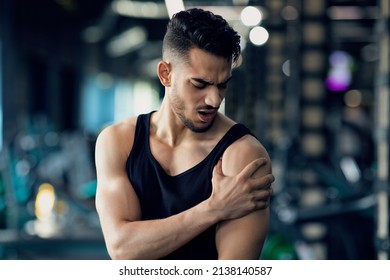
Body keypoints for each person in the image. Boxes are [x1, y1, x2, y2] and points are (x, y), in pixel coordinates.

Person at [95, 8, 274, 260]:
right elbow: (122, 249)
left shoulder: (243, 155)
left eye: (222, 85)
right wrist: (213, 209)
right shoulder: (118, 142)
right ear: (165, 74)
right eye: (199, 84)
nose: (214, 100)